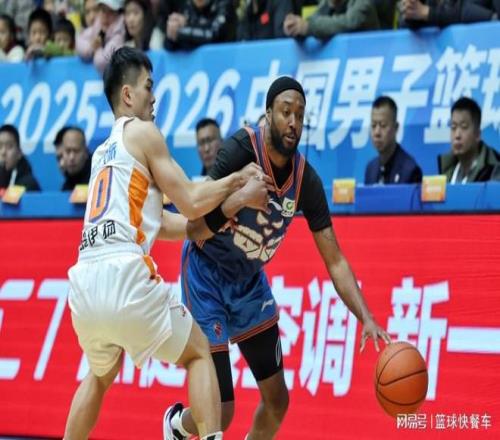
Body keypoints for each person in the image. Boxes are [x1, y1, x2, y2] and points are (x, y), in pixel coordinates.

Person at [164, 77, 391, 440]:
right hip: (207, 275)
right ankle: (177, 425)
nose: (293, 122)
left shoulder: (306, 181)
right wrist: (239, 198)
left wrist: (366, 316)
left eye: (300, 115)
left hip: (249, 282)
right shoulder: (240, 149)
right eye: (286, 112)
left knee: (277, 401)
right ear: (268, 114)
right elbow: (195, 224)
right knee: (222, 411)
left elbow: (335, 260)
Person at [63, 46, 272, 440]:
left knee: (99, 375)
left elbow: (180, 226)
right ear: (128, 94)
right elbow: (191, 200)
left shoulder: (103, 153)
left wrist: (230, 206)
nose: (154, 96)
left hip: (84, 284)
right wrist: (237, 180)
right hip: (124, 275)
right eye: (148, 86)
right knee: (199, 353)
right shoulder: (143, 133)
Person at [438, 96, 500, 183]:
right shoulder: (446, 172)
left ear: (477, 134)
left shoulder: (494, 171)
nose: (457, 135)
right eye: (453, 127)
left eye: (464, 127)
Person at [365, 96, 422, 185]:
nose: (377, 133)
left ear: (396, 128)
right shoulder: (371, 169)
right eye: (373, 125)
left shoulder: (410, 170)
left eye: (383, 125)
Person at [283, 0, 380, 40]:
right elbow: (314, 19)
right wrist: (295, 27)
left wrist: (308, 27)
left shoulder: (363, 3)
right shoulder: (328, 2)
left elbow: (349, 23)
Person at [164, 0, 236, 51]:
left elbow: (214, 36)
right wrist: (172, 32)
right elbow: (169, 45)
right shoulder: (187, 7)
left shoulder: (224, 4)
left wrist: (182, 31)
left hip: (225, 62)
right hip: (196, 65)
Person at [76, 0, 125, 72]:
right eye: (103, 10)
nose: (105, 15)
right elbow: (80, 40)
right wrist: (91, 47)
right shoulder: (97, 27)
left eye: (111, 11)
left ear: (119, 14)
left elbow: (102, 63)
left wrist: (98, 49)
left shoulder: (119, 36)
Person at [0, 124, 40, 191]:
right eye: (0, 146)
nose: (3, 152)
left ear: (19, 153)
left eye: (9, 146)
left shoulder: (27, 183)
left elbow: (8, 197)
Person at [59, 126, 92, 191]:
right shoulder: (66, 186)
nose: (72, 157)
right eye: (68, 151)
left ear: (86, 152)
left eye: (76, 151)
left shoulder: (96, 179)